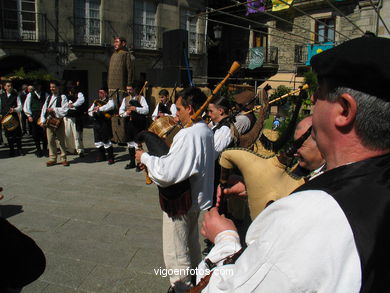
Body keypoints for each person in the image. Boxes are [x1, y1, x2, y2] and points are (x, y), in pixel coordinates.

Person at [197, 36, 390, 292]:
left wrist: (225, 239)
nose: (312, 105)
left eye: (317, 96)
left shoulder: (306, 218)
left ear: (344, 110)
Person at [135, 87, 215, 293]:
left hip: (181, 201)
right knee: (191, 243)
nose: (176, 113)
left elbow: (168, 173)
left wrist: (144, 157)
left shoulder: (190, 134)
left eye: (179, 109)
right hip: (195, 199)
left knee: (176, 250)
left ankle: (183, 288)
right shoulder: (205, 129)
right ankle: (198, 280)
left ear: (190, 108)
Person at [108, 36, 135, 144]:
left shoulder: (126, 55)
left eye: (117, 42)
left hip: (121, 88)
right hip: (111, 89)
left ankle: (123, 137)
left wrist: (129, 84)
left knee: (121, 112)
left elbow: (130, 70)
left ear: (123, 43)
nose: (115, 43)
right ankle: (115, 136)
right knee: (113, 113)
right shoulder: (113, 55)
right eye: (114, 41)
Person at [40, 80, 69, 167]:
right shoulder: (49, 97)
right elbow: (44, 109)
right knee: (50, 140)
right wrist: (42, 120)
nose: (52, 88)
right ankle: (52, 158)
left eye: (53, 87)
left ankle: (63, 158)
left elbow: (65, 110)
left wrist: (54, 109)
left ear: (58, 87)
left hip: (58, 121)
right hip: (49, 121)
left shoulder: (63, 97)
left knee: (61, 140)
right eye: (51, 87)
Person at [119, 84, 149, 169]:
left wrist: (136, 109)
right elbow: (121, 111)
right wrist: (126, 113)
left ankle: (140, 164)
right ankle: (132, 162)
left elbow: (146, 110)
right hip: (129, 123)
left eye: (130, 89)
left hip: (138, 123)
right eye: (127, 89)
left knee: (137, 144)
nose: (128, 91)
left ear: (134, 89)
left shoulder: (141, 98)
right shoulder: (125, 99)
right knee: (130, 143)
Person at [88, 88, 115, 164]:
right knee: (98, 141)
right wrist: (92, 113)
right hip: (96, 123)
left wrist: (99, 108)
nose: (100, 94)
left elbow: (111, 107)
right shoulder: (96, 101)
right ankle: (102, 156)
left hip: (104, 123)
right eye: (99, 92)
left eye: (102, 92)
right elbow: (90, 110)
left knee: (106, 141)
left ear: (106, 93)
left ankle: (111, 158)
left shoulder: (109, 100)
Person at [23, 81, 48, 157]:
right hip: (34, 115)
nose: (37, 87)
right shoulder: (30, 95)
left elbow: (48, 104)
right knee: (35, 134)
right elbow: (26, 106)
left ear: (40, 86)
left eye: (38, 85)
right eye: (36, 86)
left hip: (43, 115)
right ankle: (38, 150)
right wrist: (29, 115)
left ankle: (44, 149)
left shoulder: (46, 94)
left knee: (44, 133)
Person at [0, 81, 24, 157]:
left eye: (11, 85)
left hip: (14, 116)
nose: (10, 87)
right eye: (8, 86)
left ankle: (19, 149)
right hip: (5, 117)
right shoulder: (1, 96)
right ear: (5, 87)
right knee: (9, 134)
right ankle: (12, 150)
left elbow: (20, 106)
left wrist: (15, 109)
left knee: (17, 134)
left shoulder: (16, 95)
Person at [63, 82, 85, 157]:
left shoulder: (79, 94)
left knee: (77, 135)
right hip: (67, 117)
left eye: (73, 87)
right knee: (68, 134)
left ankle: (80, 150)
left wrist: (73, 104)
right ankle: (70, 149)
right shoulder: (65, 95)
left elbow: (81, 101)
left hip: (76, 117)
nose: (72, 89)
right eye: (70, 87)